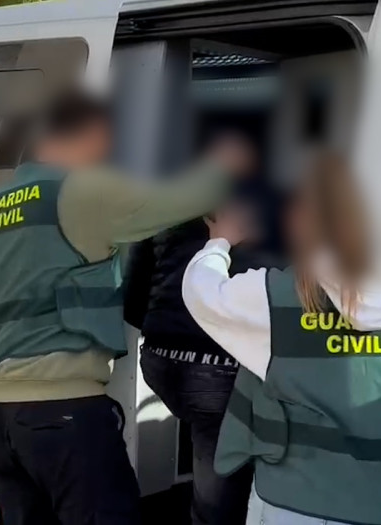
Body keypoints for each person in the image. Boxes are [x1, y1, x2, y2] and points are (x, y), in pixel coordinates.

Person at [0, 89, 252, 525]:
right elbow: (171, 201)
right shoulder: (79, 188)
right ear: (91, 134)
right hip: (58, 409)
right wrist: (224, 164)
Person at [181, 153, 381, 525]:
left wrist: (220, 242)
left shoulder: (275, 297)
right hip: (379, 507)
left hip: (290, 504)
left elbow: (203, 292)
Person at [123, 172, 284, 525]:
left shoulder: (168, 195)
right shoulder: (270, 194)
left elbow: (133, 300)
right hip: (216, 367)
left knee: (211, 444)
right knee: (220, 467)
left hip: (160, 358)